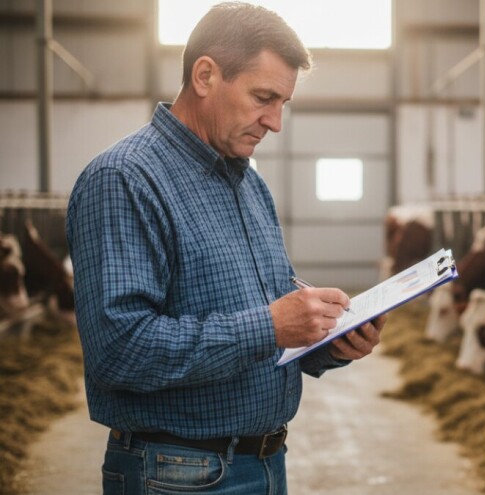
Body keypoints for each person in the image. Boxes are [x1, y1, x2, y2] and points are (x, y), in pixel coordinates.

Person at [65, 3, 385, 494]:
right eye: (263, 97)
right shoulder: (125, 179)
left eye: (283, 103)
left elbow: (265, 334)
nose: (275, 122)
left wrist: (326, 341)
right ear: (206, 75)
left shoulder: (248, 185)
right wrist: (272, 324)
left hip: (264, 462)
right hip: (175, 472)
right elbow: (119, 349)